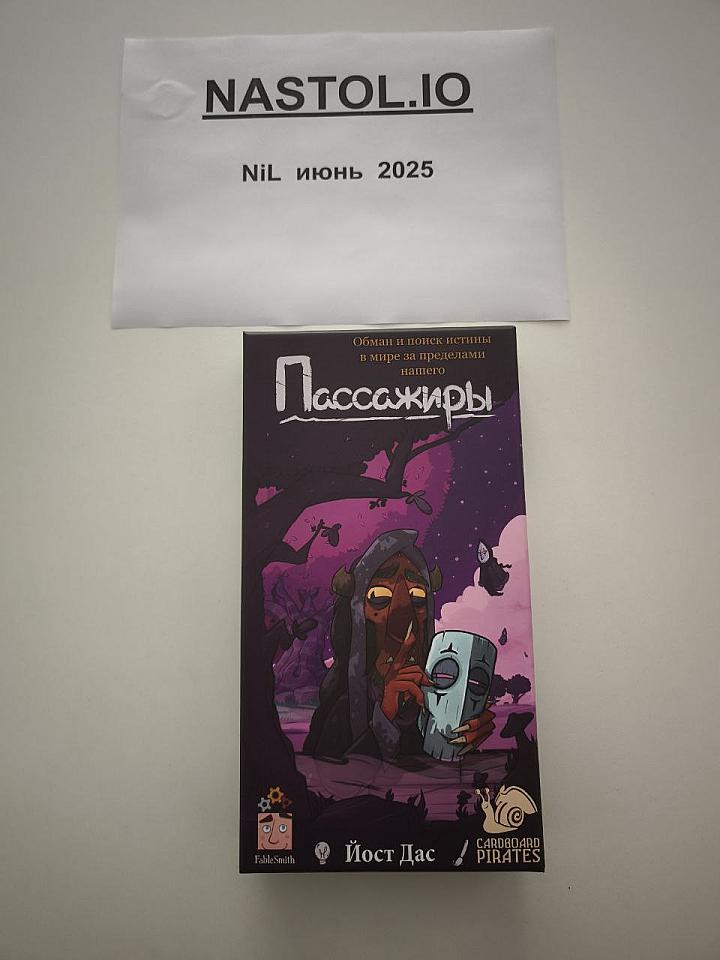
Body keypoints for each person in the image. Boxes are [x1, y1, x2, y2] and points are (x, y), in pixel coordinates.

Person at [303, 529, 494, 761]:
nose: (405, 630)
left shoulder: (434, 699)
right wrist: (385, 717)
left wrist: (461, 739)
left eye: (418, 598)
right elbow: (333, 778)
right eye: (379, 597)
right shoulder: (342, 711)